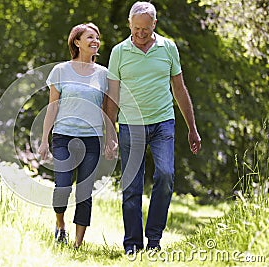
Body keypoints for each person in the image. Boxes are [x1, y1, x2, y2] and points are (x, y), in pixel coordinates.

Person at [105, 1, 202, 254]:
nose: (140, 34)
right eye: (136, 28)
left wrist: (192, 127)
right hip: (130, 125)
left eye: (145, 29)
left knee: (166, 175)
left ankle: (154, 240)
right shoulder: (119, 52)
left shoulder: (168, 48)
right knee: (132, 186)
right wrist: (109, 132)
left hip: (162, 123)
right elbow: (112, 95)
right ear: (129, 24)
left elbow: (179, 89)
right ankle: (132, 245)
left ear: (154, 24)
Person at [38, 22, 110, 248]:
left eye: (97, 37)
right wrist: (44, 140)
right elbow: (52, 107)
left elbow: (108, 111)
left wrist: (110, 138)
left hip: (92, 139)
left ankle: (78, 244)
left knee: (84, 191)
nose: (95, 41)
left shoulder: (104, 74)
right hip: (63, 137)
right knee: (62, 186)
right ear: (76, 42)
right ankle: (60, 226)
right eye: (90, 37)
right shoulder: (61, 70)